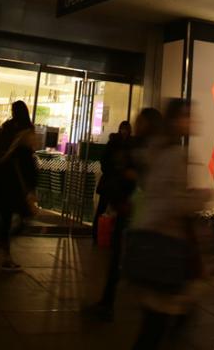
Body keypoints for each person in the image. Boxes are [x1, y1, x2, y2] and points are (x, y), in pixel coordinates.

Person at [125, 101, 212, 350]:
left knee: (157, 321)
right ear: (175, 120)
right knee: (159, 322)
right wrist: (203, 197)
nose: (192, 121)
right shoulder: (175, 154)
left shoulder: (158, 150)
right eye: (187, 116)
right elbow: (172, 201)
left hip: (151, 238)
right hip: (164, 244)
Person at [88, 118, 140, 320]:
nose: (126, 132)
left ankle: (108, 300)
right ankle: (98, 235)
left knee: (118, 251)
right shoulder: (119, 145)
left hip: (119, 193)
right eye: (124, 129)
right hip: (114, 188)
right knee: (103, 211)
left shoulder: (129, 147)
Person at [0, 100, 38, 271]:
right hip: (15, 182)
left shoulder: (7, 128)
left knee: (5, 216)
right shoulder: (25, 129)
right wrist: (31, 186)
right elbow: (27, 160)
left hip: (1, 178)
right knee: (20, 217)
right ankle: (4, 250)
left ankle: (1, 242)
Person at [94, 120, 133, 231]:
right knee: (103, 208)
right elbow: (104, 161)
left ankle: (107, 235)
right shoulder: (114, 143)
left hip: (119, 184)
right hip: (111, 182)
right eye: (123, 129)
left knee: (117, 212)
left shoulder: (128, 144)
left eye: (126, 129)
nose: (124, 131)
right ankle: (97, 233)